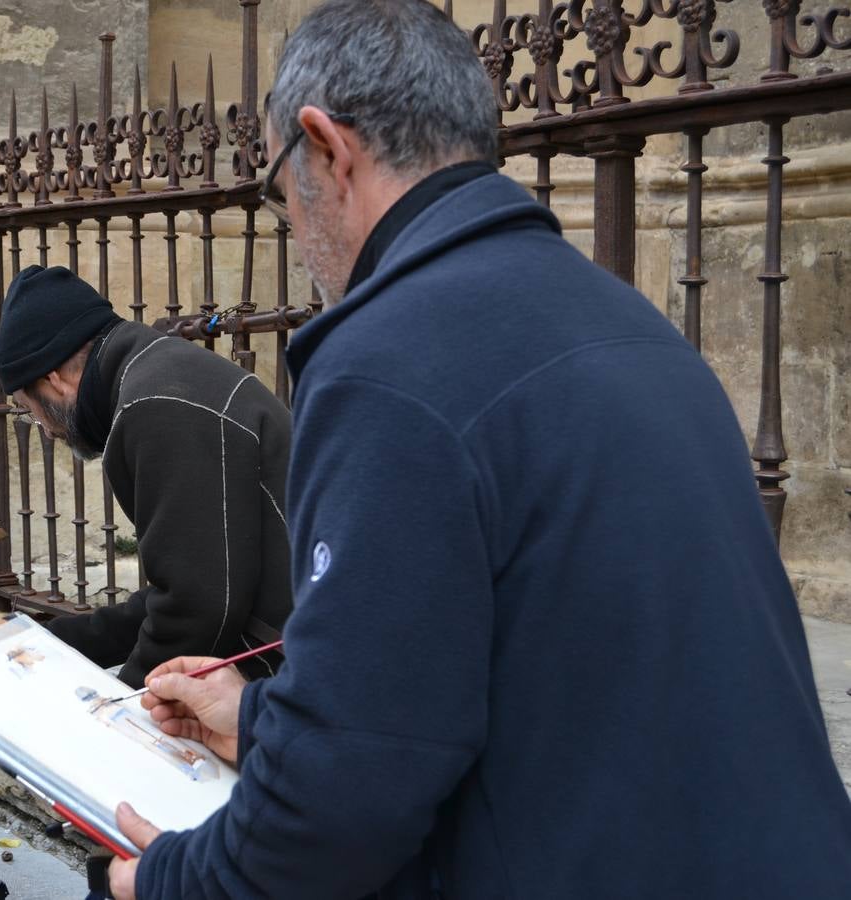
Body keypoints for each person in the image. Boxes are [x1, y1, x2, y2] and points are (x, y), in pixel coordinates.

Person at [106, 1, 851, 898]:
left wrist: (171, 880)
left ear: (326, 148)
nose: (292, 223)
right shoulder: (627, 321)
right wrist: (261, 719)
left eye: (276, 187)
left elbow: (339, 805)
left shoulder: (389, 362)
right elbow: (510, 679)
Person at [0, 264, 292, 689]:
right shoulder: (156, 375)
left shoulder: (155, 405)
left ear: (53, 379)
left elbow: (196, 608)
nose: (44, 428)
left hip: (292, 668)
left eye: (30, 409)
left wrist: (121, 713)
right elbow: (190, 585)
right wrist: (52, 643)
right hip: (285, 643)